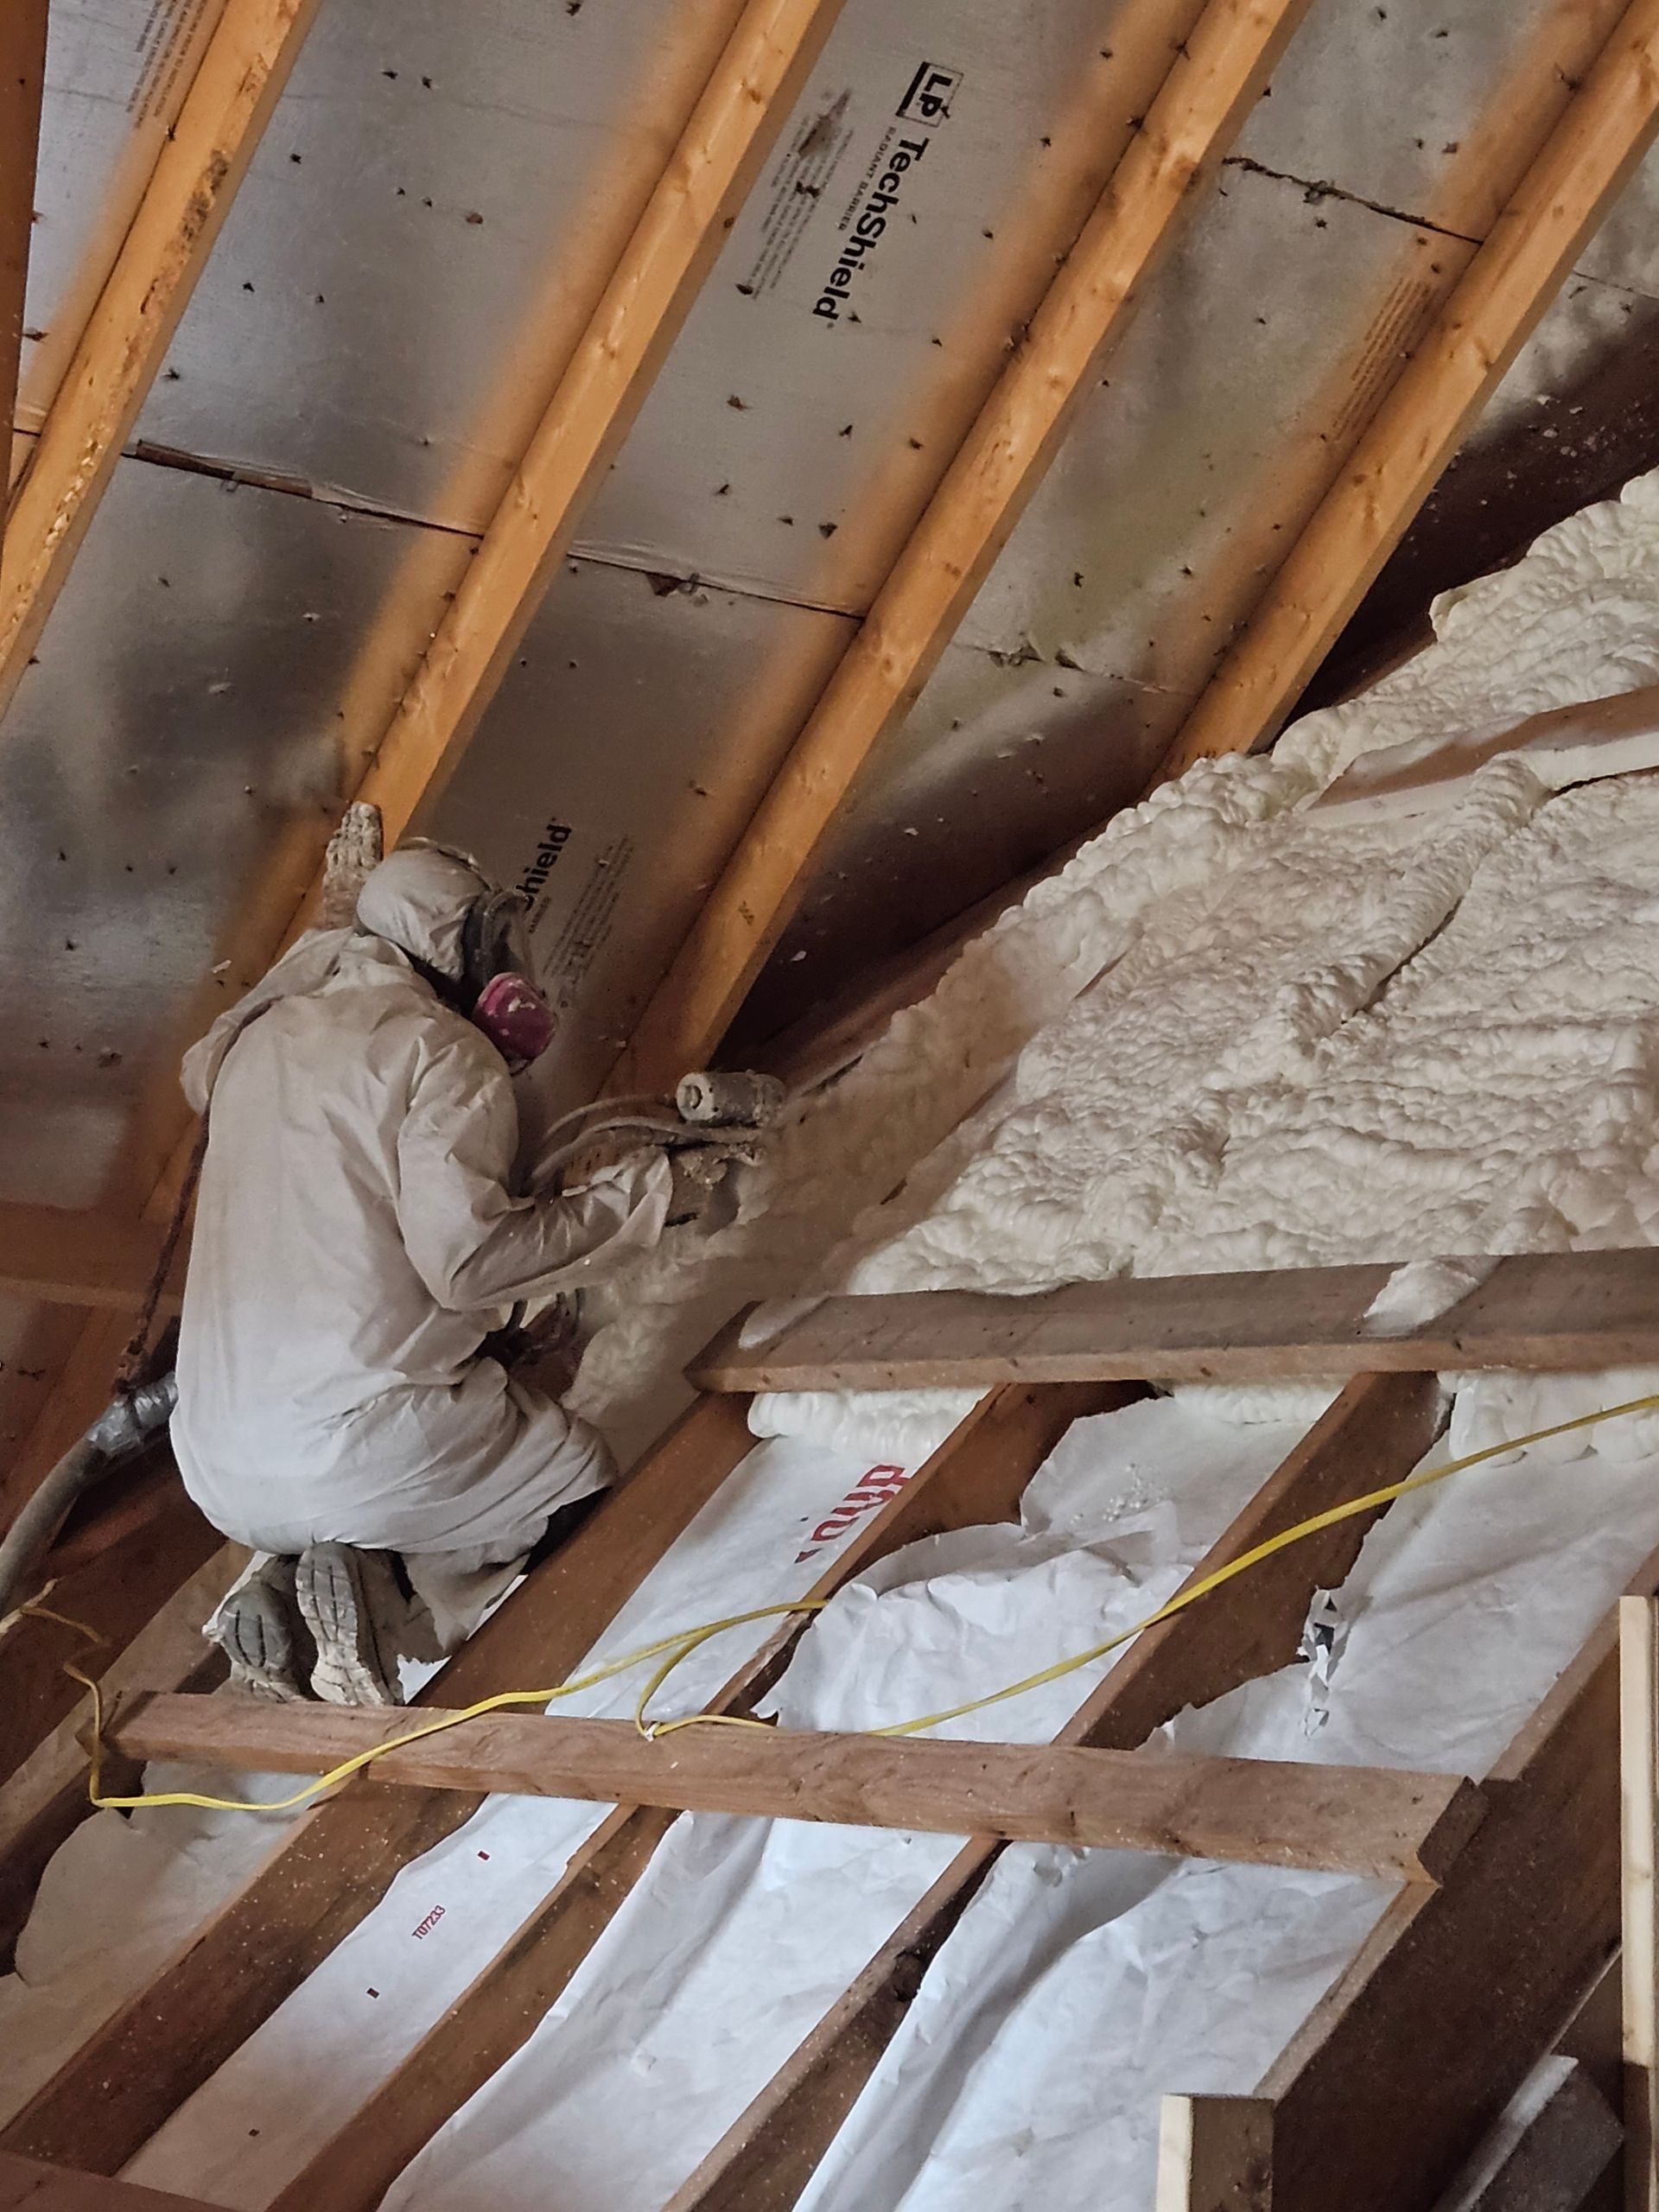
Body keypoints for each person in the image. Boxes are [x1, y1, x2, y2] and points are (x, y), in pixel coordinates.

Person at [172, 842, 692, 1706]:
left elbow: (199, 1065)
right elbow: (469, 1263)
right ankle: (392, 1595)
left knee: (422, 1461)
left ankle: (295, 1588)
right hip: (361, 1451)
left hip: (216, 1469)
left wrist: (326, 930)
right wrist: (652, 1194)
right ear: (469, 947)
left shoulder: (250, 1050)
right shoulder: (442, 1050)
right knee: (569, 1483)